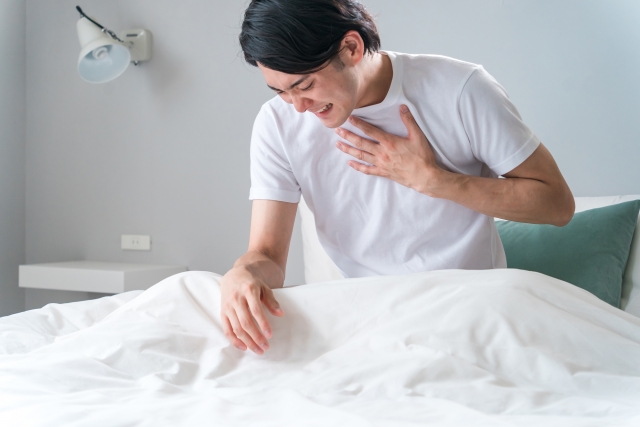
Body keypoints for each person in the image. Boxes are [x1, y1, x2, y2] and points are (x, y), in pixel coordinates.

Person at [220, 0, 574, 355]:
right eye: (281, 91)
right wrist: (244, 273)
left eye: (305, 84)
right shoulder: (276, 125)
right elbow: (266, 255)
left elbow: (557, 204)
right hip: (368, 323)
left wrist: (435, 181)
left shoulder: (460, 89)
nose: (297, 106)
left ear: (352, 48)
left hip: (471, 313)